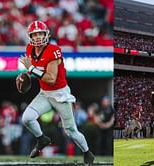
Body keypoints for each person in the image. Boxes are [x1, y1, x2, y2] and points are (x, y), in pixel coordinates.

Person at [19, 21, 94, 165]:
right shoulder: (30, 49)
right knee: (27, 118)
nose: (38, 37)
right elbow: (35, 71)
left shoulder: (53, 50)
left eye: (40, 33)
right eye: (35, 34)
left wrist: (32, 70)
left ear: (46, 34)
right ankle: (42, 139)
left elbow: (51, 79)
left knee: (71, 131)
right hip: (45, 93)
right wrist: (27, 75)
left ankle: (87, 152)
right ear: (30, 37)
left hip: (60, 94)